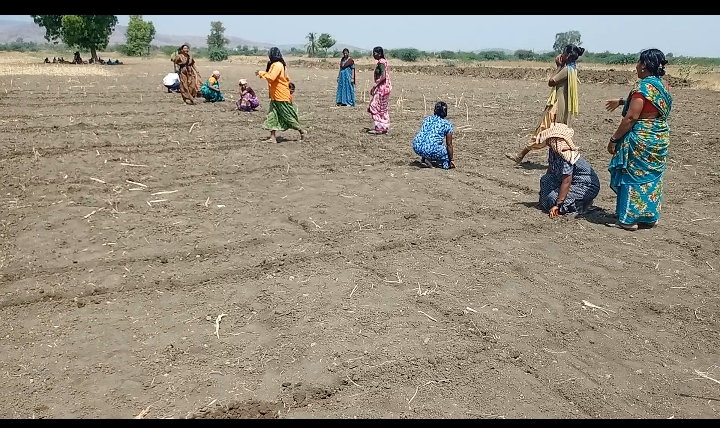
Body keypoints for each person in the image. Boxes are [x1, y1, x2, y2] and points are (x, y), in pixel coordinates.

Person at [606, 49, 672, 231]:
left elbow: (631, 118)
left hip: (640, 140)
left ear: (644, 65)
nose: (636, 66)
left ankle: (629, 220)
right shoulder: (664, 86)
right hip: (659, 137)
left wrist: (614, 139)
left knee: (632, 176)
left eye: (638, 62)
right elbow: (649, 105)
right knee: (652, 180)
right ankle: (650, 218)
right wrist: (621, 101)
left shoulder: (641, 88)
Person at [506, 44, 585, 164]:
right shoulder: (573, 69)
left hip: (557, 106)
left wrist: (558, 66)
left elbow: (551, 82)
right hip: (562, 107)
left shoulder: (566, 70)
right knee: (555, 134)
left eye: (563, 53)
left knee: (544, 130)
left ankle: (520, 156)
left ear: (567, 55)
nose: (560, 55)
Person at [536, 123, 600, 218]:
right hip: (568, 182)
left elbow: (567, 181)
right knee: (546, 180)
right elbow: (550, 170)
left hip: (584, 186)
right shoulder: (553, 151)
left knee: (553, 198)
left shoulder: (567, 157)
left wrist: (558, 203)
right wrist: (543, 196)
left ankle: (578, 206)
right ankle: (551, 204)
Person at [256, 47, 307, 143]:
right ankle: (273, 137)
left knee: (287, 116)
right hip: (275, 95)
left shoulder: (278, 65)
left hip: (281, 95)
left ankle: (301, 131)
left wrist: (261, 73)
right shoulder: (276, 65)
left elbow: (271, 77)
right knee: (272, 115)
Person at [413, 101, 455, 169]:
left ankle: (425, 158)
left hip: (417, 145)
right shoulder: (447, 124)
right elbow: (449, 144)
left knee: (428, 140)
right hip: (430, 148)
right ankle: (446, 165)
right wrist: (451, 159)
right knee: (446, 153)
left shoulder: (427, 119)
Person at [367, 46, 392, 135]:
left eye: (375, 53)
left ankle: (379, 127)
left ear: (379, 54)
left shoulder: (381, 63)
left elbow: (383, 75)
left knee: (374, 106)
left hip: (382, 88)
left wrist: (375, 85)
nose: (373, 54)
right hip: (386, 88)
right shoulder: (384, 62)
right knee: (382, 108)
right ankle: (384, 126)